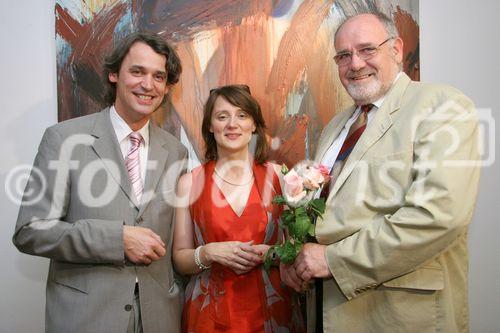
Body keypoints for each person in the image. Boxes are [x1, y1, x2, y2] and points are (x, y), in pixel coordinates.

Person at [280, 12, 481, 332]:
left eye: (367, 49)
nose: (355, 64)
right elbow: (327, 210)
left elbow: (439, 215)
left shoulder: (442, 106)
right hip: (329, 311)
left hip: (400, 315)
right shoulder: (336, 126)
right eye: (344, 56)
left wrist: (332, 260)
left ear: (397, 49)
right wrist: (298, 259)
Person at [13, 32, 187, 333]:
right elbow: (31, 231)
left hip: (160, 317)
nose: (148, 85)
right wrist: (116, 239)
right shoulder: (63, 139)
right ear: (113, 74)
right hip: (86, 318)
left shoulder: (176, 151)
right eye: (137, 71)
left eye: (159, 76)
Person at [173, 84, 304, 332]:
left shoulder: (280, 177)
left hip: (274, 313)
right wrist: (209, 252)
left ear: (254, 124)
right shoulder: (189, 182)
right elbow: (180, 258)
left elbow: (299, 250)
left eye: (242, 115)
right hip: (209, 316)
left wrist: (270, 254)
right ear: (211, 126)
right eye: (222, 116)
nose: (232, 124)